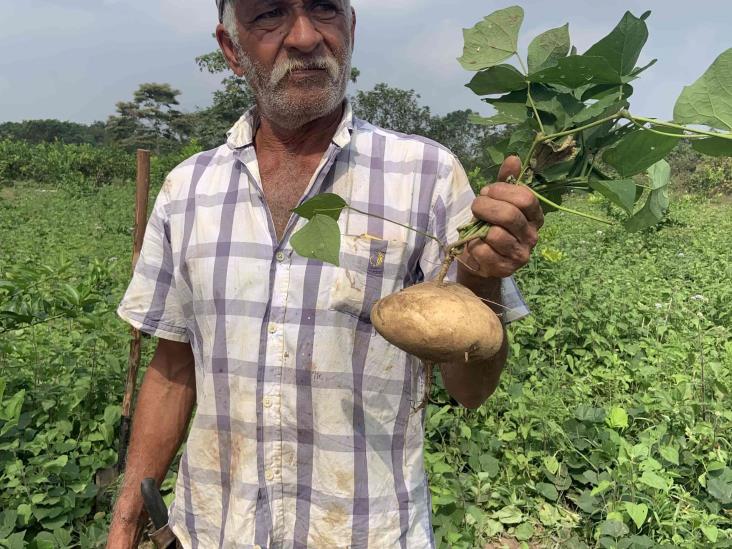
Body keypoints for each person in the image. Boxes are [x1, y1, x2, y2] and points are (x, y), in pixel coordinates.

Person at [106, 1, 543, 547]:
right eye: (269, 14)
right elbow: (172, 367)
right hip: (214, 530)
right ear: (231, 49)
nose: (306, 36)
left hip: (367, 531)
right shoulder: (186, 190)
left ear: (351, 28)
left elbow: (471, 389)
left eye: (325, 9)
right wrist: (126, 518)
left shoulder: (426, 176)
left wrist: (481, 284)